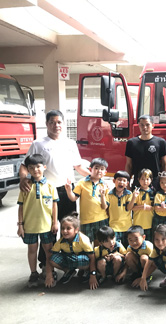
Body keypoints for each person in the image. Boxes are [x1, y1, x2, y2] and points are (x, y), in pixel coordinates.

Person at [19, 110, 90, 271]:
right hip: (47, 193)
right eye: (52, 122)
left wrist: (94, 177)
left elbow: (78, 166)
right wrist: (23, 179)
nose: (56, 125)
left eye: (59, 122)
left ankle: (71, 262)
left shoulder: (70, 143)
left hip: (66, 191)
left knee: (68, 227)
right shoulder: (38, 144)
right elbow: (24, 165)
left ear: (63, 124)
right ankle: (46, 264)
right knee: (48, 231)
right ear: (47, 124)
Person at [17, 154, 59, 288]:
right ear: (27, 170)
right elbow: (21, 207)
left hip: (46, 226)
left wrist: (54, 222)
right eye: (31, 168)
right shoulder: (25, 186)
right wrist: (20, 225)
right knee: (32, 250)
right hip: (29, 226)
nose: (35, 170)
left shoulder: (51, 186)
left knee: (48, 250)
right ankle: (33, 273)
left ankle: (49, 271)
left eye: (38, 167)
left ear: (44, 167)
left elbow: (54, 205)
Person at [50, 212, 98, 289]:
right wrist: (49, 275)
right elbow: (51, 256)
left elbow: (92, 257)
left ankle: (86, 270)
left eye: (68, 228)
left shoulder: (83, 239)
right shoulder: (61, 241)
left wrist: (93, 275)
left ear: (76, 230)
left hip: (83, 259)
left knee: (79, 259)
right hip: (70, 258)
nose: (65, 231)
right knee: (52, 259)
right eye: (63, 228)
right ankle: (69, 271)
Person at [65, 158, 109, 243]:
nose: (99, 171)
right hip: (86, 220)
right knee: (86, 244)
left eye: (102, 169)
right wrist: (69, 190)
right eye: (96, 168)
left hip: (101, 219)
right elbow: (73, 198)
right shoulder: (82, 183)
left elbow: (104, 207)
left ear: (105, 172)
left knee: (99, 244)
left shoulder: (105, 185)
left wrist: (103, 195)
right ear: (90, 169)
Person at [125, 115, 166, 189]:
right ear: (138, 126)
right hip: (138, 181)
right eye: (142, 125)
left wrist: (164, 182)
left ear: (153, 125)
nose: (144, 127)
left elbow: (164, 164)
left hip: (155, 182)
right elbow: (129, 165)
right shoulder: (131, 143)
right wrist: (127, 183)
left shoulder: (161, 142)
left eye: (147, 125)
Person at [106, 171, 134, 247]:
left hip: (127, 226)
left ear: (127, 184)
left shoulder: (129, 194)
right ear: (114, 181)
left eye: (124, 180)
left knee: (128, 247)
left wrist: (134, 197)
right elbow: (106, 208)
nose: (121, 182)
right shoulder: (109, 194)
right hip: (113, 226)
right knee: (115, 247)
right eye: (119, 179)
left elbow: (129, 208)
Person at [130, 169, 155, 242]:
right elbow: (131, 208)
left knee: (149, 242)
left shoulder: (153, 192)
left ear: (151, 180)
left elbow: (155, 207)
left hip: (149, 222)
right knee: (138, 241)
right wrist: (143, 207)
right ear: (138, 180)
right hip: (138, 222)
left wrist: (151, 208)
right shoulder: (136, 192)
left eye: (147, 179)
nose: (145, 181)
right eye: (142, 179)